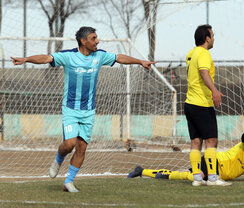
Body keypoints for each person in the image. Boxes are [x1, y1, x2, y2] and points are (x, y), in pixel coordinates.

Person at [11, 26, 156, 192]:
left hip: (89, 110)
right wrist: (26, 59)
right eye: (93, 38)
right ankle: (59, 159)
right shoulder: (68, 56)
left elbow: (119, 58)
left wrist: (140, 61)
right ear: (83, 41)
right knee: (70, 143)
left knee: (81, 147)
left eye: (96, 38)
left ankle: (68, 182)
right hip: (71, 108)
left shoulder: (99, 55)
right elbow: (46, 58)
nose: (97, 41)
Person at [128, 130, 244, 183]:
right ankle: (146, 172)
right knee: (197, 177)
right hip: (214, 163)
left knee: (187, 174)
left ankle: (142, 171)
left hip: (218, 173)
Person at [183, 24, 228, 186]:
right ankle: (212, 178)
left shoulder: (191, 53)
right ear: (207, 38)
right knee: (211, 140)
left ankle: (197, 178)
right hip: (202, 104)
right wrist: (215, 91)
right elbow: (203, 72)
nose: (214, 38)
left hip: (190, 103)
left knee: (196, 141)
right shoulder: (204, 54)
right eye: (213, 35)